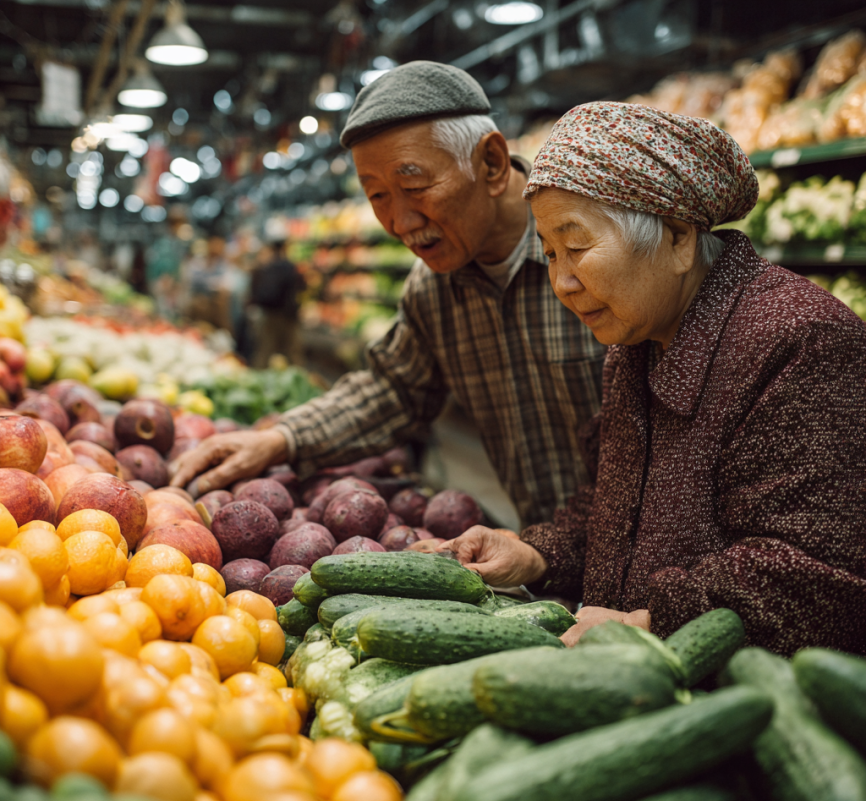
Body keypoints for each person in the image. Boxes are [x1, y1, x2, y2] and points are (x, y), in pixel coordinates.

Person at [441, 102, 866, 657]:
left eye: (577, 246)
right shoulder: (637, 342)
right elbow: (615, 506)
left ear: (678, 238)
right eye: (548, 252)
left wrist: (649, 623)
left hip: (746, 708)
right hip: (641, 683)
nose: (562, 281)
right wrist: (535, 553)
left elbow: (815, 570)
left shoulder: (800, 338)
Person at [171, 62, 605, 527]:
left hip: (658, 564)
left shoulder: (603, 250)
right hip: (548, 552)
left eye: (415, 186)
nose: (399, 222)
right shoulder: (434, 286)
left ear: (492, 164)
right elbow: (394, 389)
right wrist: (279, 439)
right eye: (377, 196)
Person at [248, 240, 304, 368]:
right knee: (292, 352)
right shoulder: (290, 267)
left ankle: (258, 379)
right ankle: (295, 380)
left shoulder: (268, 267)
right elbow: (300, 289)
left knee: (265, 350)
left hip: (269, 314)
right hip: (288, 316)